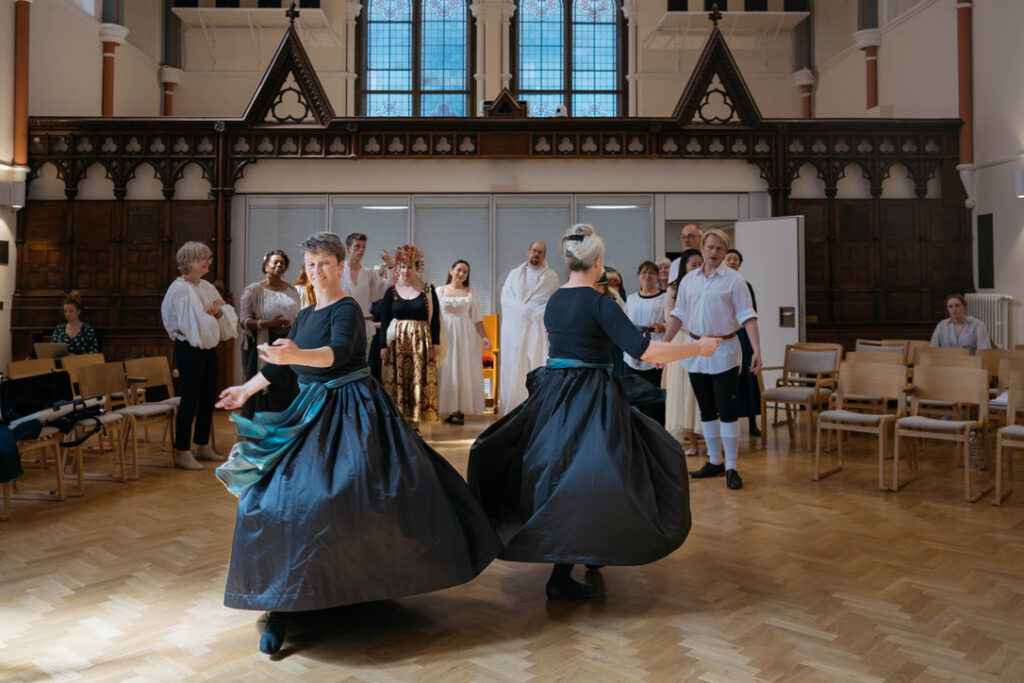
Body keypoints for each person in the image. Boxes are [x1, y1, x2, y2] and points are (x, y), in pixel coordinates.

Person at [214, 232, 501, 655]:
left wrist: (295, 356)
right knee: (269, 499)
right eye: (310, 265)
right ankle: (281, 600)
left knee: (355, 494)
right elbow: (279, 366)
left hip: (352, 409)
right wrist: (246, 388)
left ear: (337, 265)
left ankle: (355, 583)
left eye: (324, 264)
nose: (316, 272)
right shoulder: (306, 312)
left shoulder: (347, 307)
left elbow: (335, 353)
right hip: (309, 410)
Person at [468, 223, 720, 601]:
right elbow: (644, 350)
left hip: (555, 393)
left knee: (568, 472)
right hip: (589, 394)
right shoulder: (600, 302)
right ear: (598, 260)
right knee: (601, 472)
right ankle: (566, 569)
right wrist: (698, 349)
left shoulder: (556, 300)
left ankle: (586, 552)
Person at [665, 229, 761, 491]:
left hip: (724, 349)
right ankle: (715, 461)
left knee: (727, 409)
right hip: (696, 348)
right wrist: (663, 344)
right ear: (703, 248)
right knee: (706, 408)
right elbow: (677, 314)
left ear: (725, 250)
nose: (714, 252)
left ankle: (731, 466)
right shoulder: (689, 280)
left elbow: (748, 317)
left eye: (720, 248)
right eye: (710, 247)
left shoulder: (735, 281)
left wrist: (757, 351)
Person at [160, 241, 238, 470]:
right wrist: (214, 314)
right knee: (190, 398)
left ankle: (202, 445)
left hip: (207, 349)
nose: (208, 262)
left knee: (207, 398)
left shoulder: (205, 286)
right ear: (187, 262)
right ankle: (182, 450)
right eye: (202, 258)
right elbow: (195, 324)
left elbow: (224, 313)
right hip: (189, 349)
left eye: (209, 258)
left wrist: (216, 313)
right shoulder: (181, 289)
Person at [379, 243, 441, 431]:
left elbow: (436, 319)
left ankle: (415, 425)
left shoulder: (428, 290)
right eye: (402, 267)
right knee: (397, 381)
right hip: (397, 343)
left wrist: (436, 343)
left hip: (421, 343)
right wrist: (382, 345)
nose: (406, 271)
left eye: (410, 267)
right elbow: (384, 319)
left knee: (418, 380)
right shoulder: (391, 292)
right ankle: (399, 425)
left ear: (417, 268)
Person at [499, 241, 560, 413]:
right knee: (515, 371)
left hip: (537, 331)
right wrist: (524, 311)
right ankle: (513, 410)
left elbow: (551, 303)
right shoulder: (514, 275)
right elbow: (506, 299)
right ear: (528, 252)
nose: (536, 254)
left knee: (536, 365)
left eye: (540, 252)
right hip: (516, 332)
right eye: (534, 250)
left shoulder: (551, 278)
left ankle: (538, 410)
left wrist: (533, 313)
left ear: (544, 256)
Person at [238, 250, 301, 418]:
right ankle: (260, 434)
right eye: (275, 262)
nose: (279, 265)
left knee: (286, 386)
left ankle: (284, 430)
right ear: (266, 267)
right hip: (262, 344)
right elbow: (243, 321)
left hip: (287, 342)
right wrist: (267, 323)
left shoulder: (291, 289)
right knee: (264, 386)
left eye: (282, 263)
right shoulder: (253, 290)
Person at [438, 259, 492, 425]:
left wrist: (484, 337)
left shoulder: (471, 292)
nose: (461, 274)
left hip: (465, 336)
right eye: (459, 270)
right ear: (451, 270)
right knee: (446, 369)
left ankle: (458, 410)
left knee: (462, 369)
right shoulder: (439, 291)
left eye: (465, 272)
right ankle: (447, 408)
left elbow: (477, 319)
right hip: (445, 334)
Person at [663, 249, 705, 455]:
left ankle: (710, 443)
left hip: (702, 342)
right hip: (682, 341)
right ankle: (692, 443)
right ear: (684, 267)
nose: (697, 268)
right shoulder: (674, 288)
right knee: (683, 391)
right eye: (693, 264)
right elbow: (670, 316)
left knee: (700, 393)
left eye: (700, 264)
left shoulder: (708, 285)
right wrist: (694, 327)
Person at [724, 248, 762, 437]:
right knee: (729, 380)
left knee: (748, 378)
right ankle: (729, 423)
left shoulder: (745, 284)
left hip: (743, 336)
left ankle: (753, 423)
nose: (732, 262)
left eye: (735, 259)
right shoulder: (720, 283)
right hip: (725, 335)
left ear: (739, 263)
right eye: (729, 258)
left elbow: (751, 312)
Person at [623, 261, 666, 424]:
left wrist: (662, 326)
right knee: (632, 395)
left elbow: (672, 321)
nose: (647, 276)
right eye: (644, 272)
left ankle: (656, 433)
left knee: (653, 398)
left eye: (651, 273)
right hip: (633, 350)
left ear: (656, 277)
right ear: (638, 276)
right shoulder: (632, 298)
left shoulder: (664, 297)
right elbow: (625, 322)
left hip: (655, 349)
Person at [339, 232, 393, 353]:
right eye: (357, 246)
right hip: (342, 323)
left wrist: (390, 265)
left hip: (363, 325)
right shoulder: (339, 272)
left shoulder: (369, 273)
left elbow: (387, 288)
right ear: (348, 248)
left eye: (364, 246)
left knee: (361, 364)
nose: (361, 249)